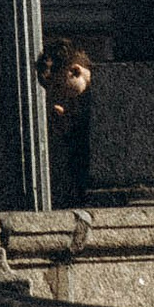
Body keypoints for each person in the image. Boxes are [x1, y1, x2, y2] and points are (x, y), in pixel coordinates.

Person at [41, 38, 93, 198]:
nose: (58, 93)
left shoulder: (98, 94)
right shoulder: (77, 100)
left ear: (75, 71)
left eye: (58, 86)